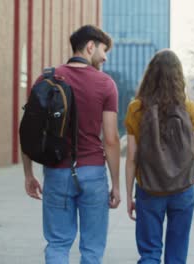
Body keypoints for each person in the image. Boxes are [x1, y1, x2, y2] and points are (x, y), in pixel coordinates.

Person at [21, 25, 121, 264]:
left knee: (57, 243)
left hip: (56, 173)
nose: (105, 57)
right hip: (93, 172)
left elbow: (28, 131)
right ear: (90, 46)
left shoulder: (46, 78)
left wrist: (28, 174)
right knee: (92, 248)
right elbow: (111, 139)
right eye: (103, 51)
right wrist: (116, 184)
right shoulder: (106, 84)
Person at [124, 49, 194, 264]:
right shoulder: (190, 109)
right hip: (183, 189)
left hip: (149, 188)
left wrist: (129, 194)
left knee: (149, 253)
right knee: (177, 255)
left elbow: (132, 157)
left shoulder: (136, 108)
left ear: (150, 75)